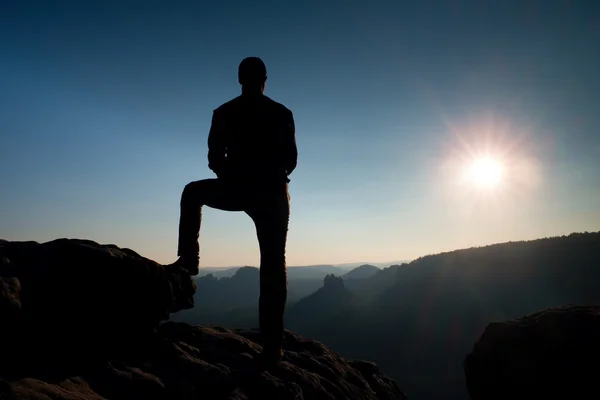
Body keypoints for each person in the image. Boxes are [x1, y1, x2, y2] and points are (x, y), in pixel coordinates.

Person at [167, 57, 297, 362]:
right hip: (272, 196)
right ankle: (272, 346)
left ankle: (188, 260)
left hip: (238, 188)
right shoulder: (281, 114)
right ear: (265, 78)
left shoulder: (224, 113)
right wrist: (264, 177)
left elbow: (214, 157)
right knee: (273, 267)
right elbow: (290, 160)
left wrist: (232, 177)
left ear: (240, 79)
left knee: (192, 193)